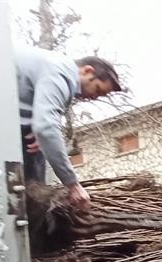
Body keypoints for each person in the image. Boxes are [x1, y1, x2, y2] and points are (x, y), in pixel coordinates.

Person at [16, 46, 122, 209]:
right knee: (33, 199)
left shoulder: (57, 66)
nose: (93, 97)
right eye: (97, 89)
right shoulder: (61, 74)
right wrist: (73, 185)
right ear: (87, 71)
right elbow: (47, 127)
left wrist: (36, 127)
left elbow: (41, 121)